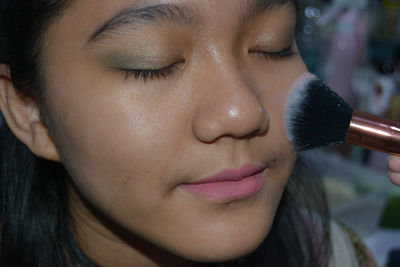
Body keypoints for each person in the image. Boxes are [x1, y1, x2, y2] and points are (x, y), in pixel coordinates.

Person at [0, 0, 377, 266]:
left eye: (272, 45)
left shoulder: (335, 254)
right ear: (29, 109)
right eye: (152, 63)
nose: (243, 112)